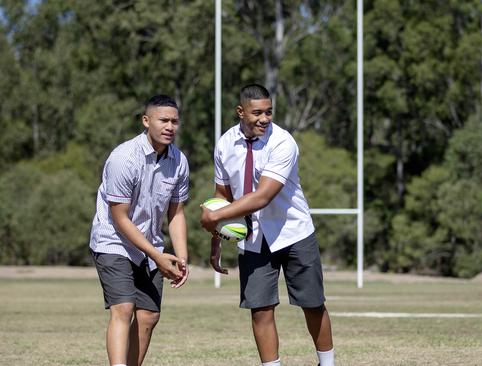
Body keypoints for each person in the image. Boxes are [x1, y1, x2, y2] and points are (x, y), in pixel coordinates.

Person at [200, 84, 335, 366]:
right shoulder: (225, 144)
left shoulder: (283, 142)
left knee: (312, 304)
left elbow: (262, 196)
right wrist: (216, 240)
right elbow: (221, 198)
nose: (264, 119)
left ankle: (328, 363)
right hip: (253, 238)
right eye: (257, 113)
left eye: (269, 112)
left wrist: (214, 217)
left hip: (294, 232)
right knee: (260, 309)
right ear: (240, 112)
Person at [89, 94, 190, 366]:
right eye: (163, 120)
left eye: (175, 121)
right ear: (146, 121)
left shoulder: (178, 161)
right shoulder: (124, 158)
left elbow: (176, 212)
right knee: (123, 307)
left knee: (148, 316)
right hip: (114, 241)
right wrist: (158, 257)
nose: (170, 126)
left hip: (150, 245)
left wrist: (181, 257)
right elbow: (119, 218)